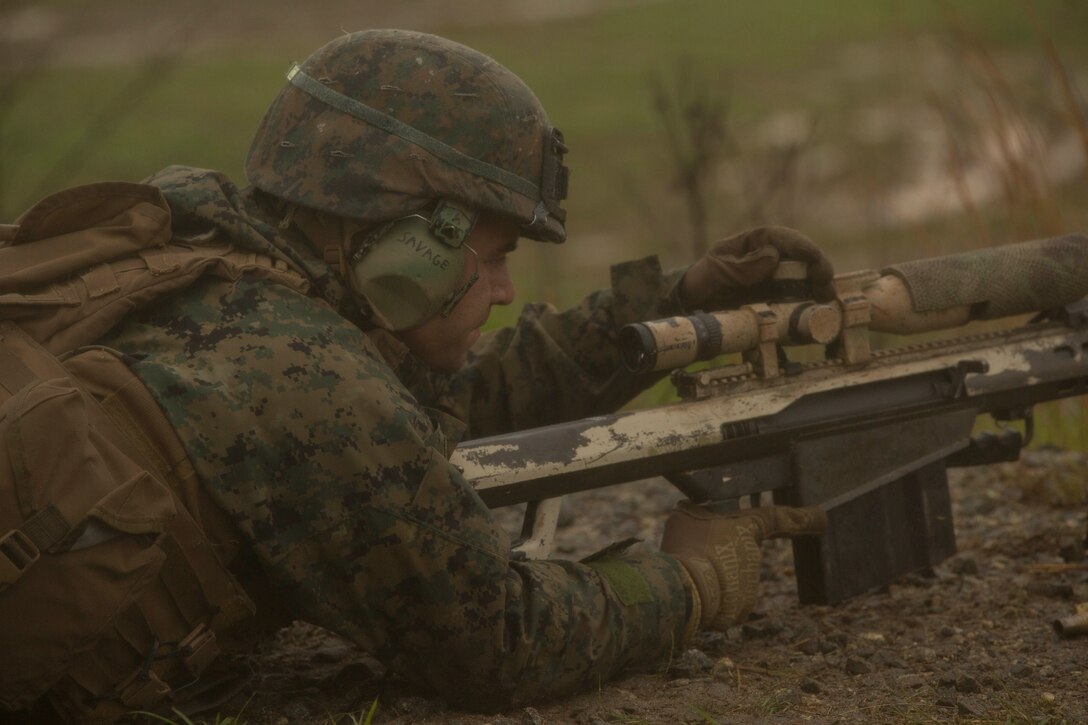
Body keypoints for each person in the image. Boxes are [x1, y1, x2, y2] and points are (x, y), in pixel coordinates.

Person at [1, 29, 831, 719]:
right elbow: (501, 640)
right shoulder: (308, 380)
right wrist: (688, 581)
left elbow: (439, 403)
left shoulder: (209, 254)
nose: (505, 291)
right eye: (496, 255)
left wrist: (676, 302)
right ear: (413, 246)